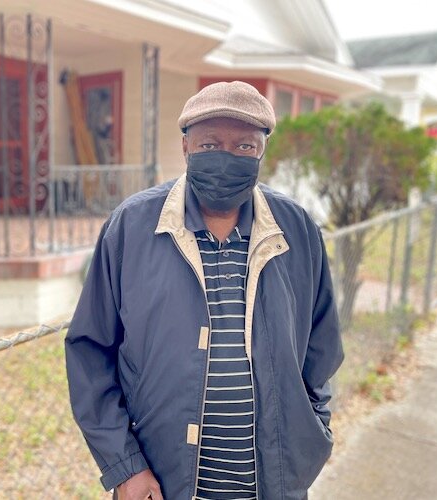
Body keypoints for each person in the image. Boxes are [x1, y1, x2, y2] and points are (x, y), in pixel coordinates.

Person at [65, 81, 343, 500]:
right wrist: (125, 468)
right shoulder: (132, 228)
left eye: (244, 147)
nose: (227, 158)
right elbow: (90, 351)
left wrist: (312, 431)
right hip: (165, 483)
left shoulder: (296, 229)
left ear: (262, 152)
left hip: (272, 486)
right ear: (185, 148)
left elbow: (321, 347)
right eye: (210, 144)